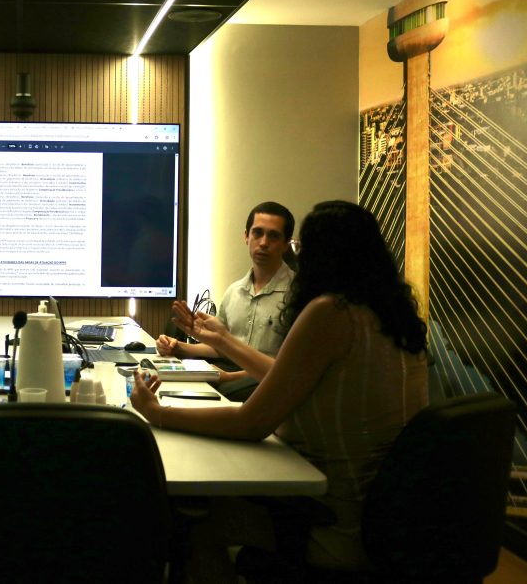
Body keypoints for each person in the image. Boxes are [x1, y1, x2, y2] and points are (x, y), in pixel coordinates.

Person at [131, 200, 428, 574]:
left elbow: (251, 423)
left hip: (332, 515)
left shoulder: (330, 312)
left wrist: (157, 413)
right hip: (388, 518)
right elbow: (285, 374)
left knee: (192, 520)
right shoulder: (390, 314)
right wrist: (222, 340)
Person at [156, 201, 296, 400]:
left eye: (273, 236)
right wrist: (178, 347)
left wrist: (228, 377)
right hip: (229, 377)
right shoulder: (234, 291)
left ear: (286, 243)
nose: (264, 243)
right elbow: (221, 347)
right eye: (257, 233)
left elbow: (288, 369)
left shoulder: (297, 295)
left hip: (266, 388)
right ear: (246, 236)